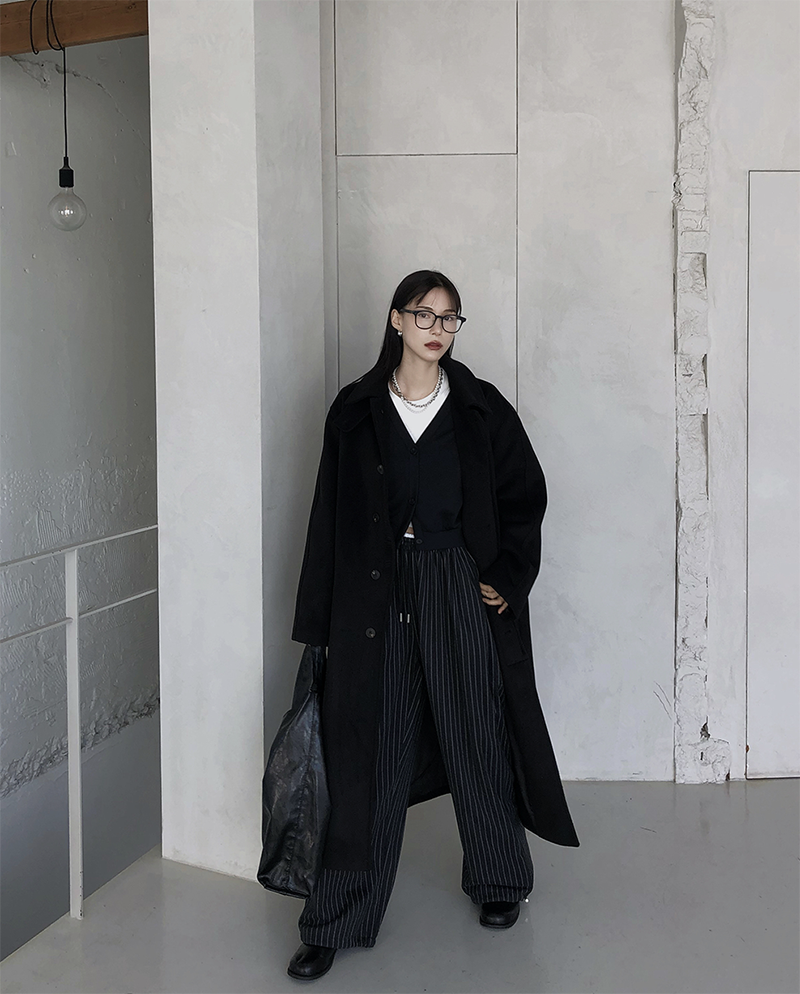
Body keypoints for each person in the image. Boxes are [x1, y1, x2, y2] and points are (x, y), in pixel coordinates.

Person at [286, 270, 579, 981]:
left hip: (456, 582)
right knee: (373, 750)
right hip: (376, 592)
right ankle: (336, 918)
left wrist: (507, 576)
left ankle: (500, 879)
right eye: (424, 314)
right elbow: (328, 516)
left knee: (475, 730)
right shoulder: (355, 409)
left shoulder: (480, 408)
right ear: (396, 319)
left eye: (449, 318)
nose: (437, 329)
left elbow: (525, 494)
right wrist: (320, 622)